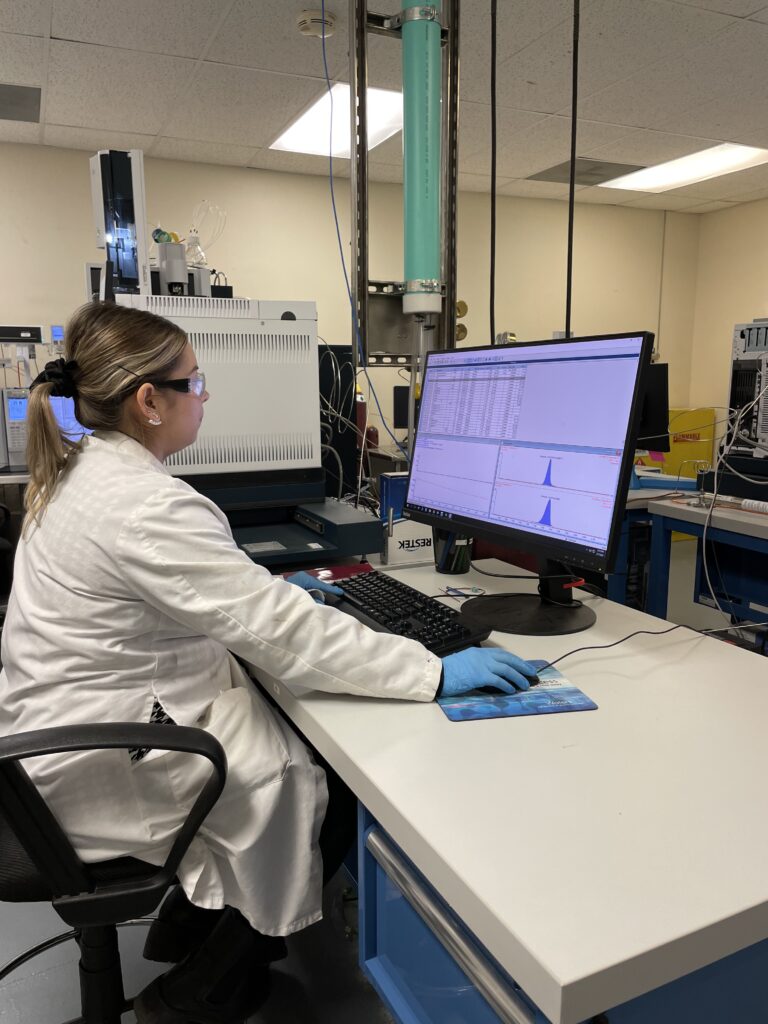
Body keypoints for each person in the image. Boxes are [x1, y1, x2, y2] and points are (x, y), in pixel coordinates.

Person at [0, 302, 538, 1024]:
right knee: (319, 785)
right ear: (150, 402)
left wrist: (264, 591)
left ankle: (186, 929)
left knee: (283, 732)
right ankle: (197, 992)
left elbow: (189, 592)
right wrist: (433, 670)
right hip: (100, 756)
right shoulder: (142, 503)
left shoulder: (85, 473)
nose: (207, 394)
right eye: (195, 381)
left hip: (66, 729)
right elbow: (288, 638)